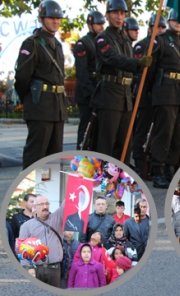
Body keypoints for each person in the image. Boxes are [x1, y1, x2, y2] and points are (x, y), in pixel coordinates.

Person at [91, 0, 152, 160]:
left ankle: (121, 177)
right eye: (115, 13)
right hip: (109, 94)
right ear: (108, 15)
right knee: (107, 143)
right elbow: (114, 59)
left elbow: (129, 61)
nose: (119, 17)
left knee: (125, 144)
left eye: (122, 13)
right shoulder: (102, 38)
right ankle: (103, 178)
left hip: (125, 95)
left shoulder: (124, 39)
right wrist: (137, 63)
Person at [14, 0, 68, 169]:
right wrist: (30, 101)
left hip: (56, 108)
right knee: (35, 156)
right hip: (40, 107)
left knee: (54, 157)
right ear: (41, 19)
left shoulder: (58, 45)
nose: (56, 21)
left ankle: (49, 192)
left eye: (58, 18)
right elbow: (22, 78)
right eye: (51, 17)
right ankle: (29, 193)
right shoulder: (32, 44)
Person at [149, 9, 180, 189]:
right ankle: (157, 171)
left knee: (178, 136)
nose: (177, 22)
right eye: (174, 19)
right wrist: (153, 92)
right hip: (165, 92)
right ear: (168, 21)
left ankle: (170, 169)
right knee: (164, 134)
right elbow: (151, 69)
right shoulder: (160, 40)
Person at [131, 13, 167, 175]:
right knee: (142, 130)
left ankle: (149, 163)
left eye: (162, 27)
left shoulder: (163, 45)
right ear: (150, 27)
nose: (160, 30)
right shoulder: (141, 45)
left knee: (155, 132)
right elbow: (138, 71)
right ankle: (139, 162)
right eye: (157, 27)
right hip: (144, 93)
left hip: (158, 93)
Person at [74, 11, 106, 149]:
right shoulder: (83, 43)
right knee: (86, 131)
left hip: (100, 91)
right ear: (90, 25)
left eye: (102, 24)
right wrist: (92, 94)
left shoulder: (102, 41)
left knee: (98, 133)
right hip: (87, 94)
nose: (101, 27)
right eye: (98, 24)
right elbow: (82, 72)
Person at [18, 195, 65, 287]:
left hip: (54, 270)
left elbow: (66, 204)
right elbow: (21, 249)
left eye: (47, 204)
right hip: (35, 270)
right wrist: (28, 267)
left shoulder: (57, 219)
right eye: (42, 204)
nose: (45, 207)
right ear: (35, 207)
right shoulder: (27, 226)